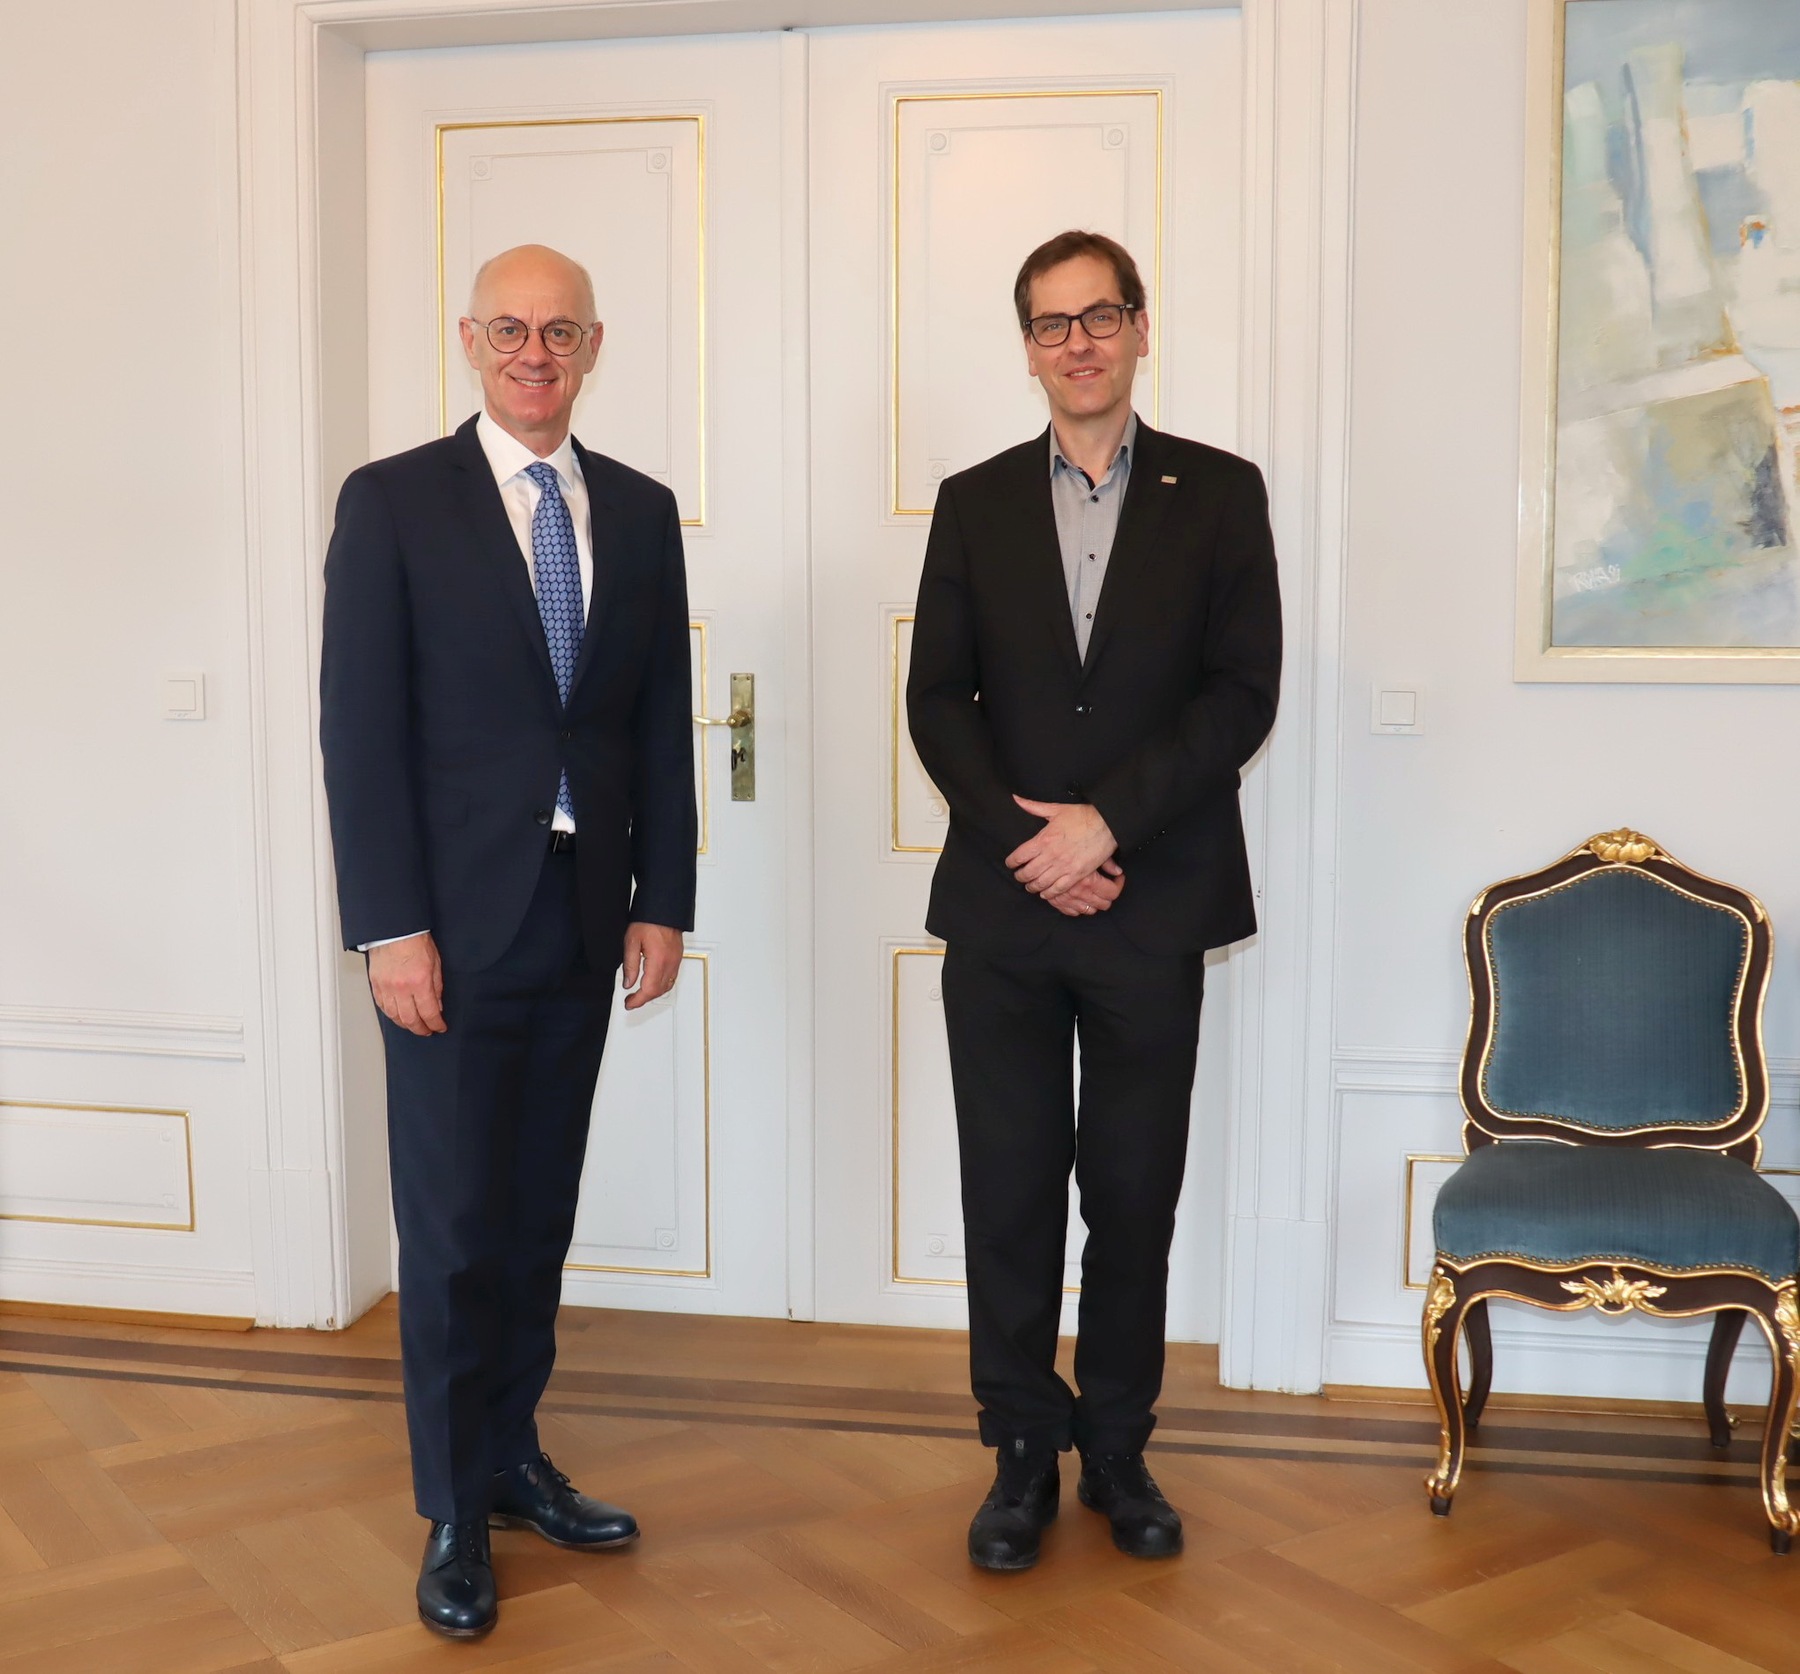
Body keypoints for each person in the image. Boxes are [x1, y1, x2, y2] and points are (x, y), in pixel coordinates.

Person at [319, 243, 696, 1638]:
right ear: (469, 339)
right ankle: (450, 1507)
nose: (536, 354)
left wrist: (665, 896)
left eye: (561, 332)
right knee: (454, 1221)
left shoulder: (643, 512)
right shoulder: (395, 503)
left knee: (536, 1210)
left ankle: (515, 1451)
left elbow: (657, 721)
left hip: (586, 913)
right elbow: (358, 737)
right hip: (447, 934)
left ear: (594, 344)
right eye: (510, 331)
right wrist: (389, 929)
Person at [906, 229, 1282, 1572]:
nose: (1078, 340)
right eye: (1052, 322)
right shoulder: (973, 499)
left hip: (1151, 901)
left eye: (1101, 315)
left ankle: (1117, 1448)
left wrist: (1109, 823)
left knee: (1133, 1191)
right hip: (1005, 910)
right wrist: (1030, 838)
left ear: (1137, 328)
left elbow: (1244, 693)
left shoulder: (1221, 494)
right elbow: (936, 696)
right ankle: (1019, 1451)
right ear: (1027, 346)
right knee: (1008, 1188)